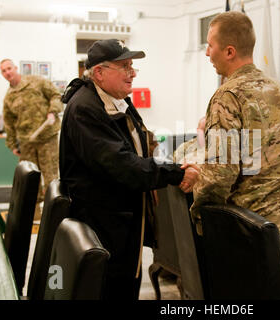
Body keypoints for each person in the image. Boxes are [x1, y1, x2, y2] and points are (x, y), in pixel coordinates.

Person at [190, 11, 280, 300]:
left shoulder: (228, 96)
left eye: (211, 45)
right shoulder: (279, 89)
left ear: (229, 51)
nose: (207, 52)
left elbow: (221, 173)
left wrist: (198, 212)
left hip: (258, 232)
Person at [59, 39, 199, 300]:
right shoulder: (86, 109)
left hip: (121, 223)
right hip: (104, 227)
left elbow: (141, 144)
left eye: (132, 66)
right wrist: (175, 173)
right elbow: (121, 164)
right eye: (124, 66)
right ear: (99, 72)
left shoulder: (116, 99)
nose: (132, 73)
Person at [0, 59, 62, 222]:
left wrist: (53, 111)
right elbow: (9, 123)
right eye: (3, 71)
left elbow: (56, 95)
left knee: (51, 179)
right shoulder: (8, 98)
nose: (7, 72)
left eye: (9, 68)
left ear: (15, 68)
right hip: (27, 142)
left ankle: (53, 217)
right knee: (30, 180)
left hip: (47, 137)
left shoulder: (36, 82)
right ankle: (34, 217)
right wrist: (13, 145)